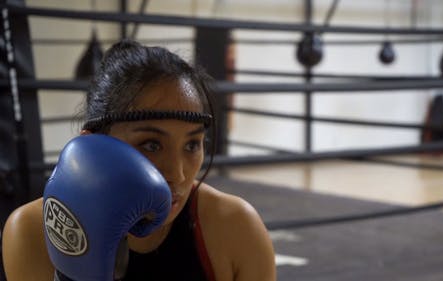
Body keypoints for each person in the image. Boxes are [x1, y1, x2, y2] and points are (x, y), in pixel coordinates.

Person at [1, 39, 276, 281]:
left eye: (192, 144)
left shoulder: (235, 229)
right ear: (93, 145)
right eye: (151, 144)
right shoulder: (32, 231)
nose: (177, 174)